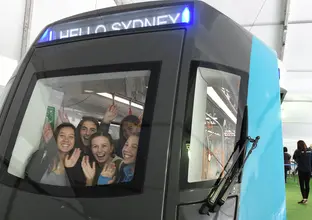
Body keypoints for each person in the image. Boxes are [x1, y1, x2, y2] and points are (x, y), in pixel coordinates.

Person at [293, 140, 311, 204]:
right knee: (307, 185)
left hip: (301, 171)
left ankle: (304, 198)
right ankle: (306, 199)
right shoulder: (309, 150)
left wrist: (299, 162)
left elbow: (294, 158)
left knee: (302, 185)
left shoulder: (297, 151)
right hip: (308, 170)